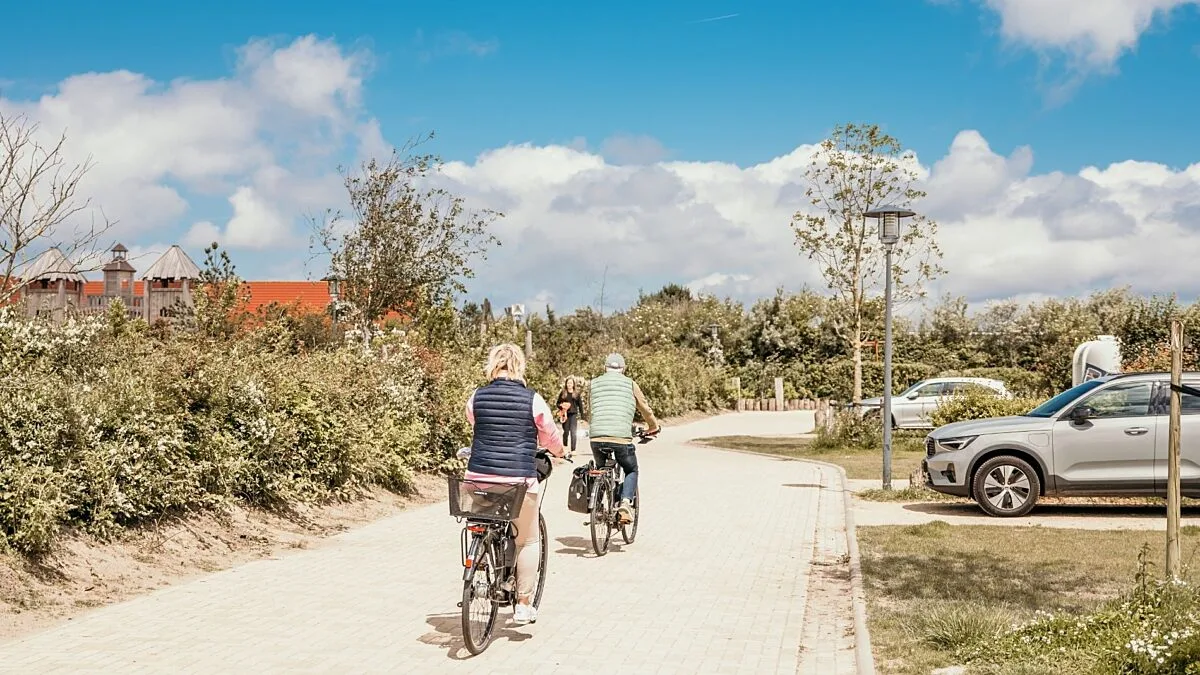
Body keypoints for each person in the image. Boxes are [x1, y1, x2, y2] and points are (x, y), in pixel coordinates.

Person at [464, 343, 565, 625]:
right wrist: (560, 452)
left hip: (478, 478)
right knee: (528, 538)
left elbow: (475, 423)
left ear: (493, 365)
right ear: (520, 365)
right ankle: (523, 604)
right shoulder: (532, 399)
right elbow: (549, 436)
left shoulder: (477, 396)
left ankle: (481, 559)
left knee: (481, 522)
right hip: (517, 480)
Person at [586, 353, 660, 525]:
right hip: (620, 438)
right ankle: (625, 503)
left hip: (596, 437)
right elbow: (645, 408)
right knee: (631, 469)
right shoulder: (630, 384)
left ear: (604, 368)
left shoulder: (594, 383)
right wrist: (653, 427)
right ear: (623, 369)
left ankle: (597, 506)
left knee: (601, 468)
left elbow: (593, 410)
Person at [556, 377, 583, 456]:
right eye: (568, 383)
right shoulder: (563, 393)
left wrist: (582, 416)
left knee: (573, 432)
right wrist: (562, 407)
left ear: (573, 384)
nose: (569, 385)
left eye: (571, 383)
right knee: (566, 432)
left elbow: (580, 406)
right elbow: (558, 403)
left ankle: (573, 449)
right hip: (565, 414)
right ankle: (565, 447)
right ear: (566, 384)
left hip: (573, 414)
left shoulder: (576, 394)